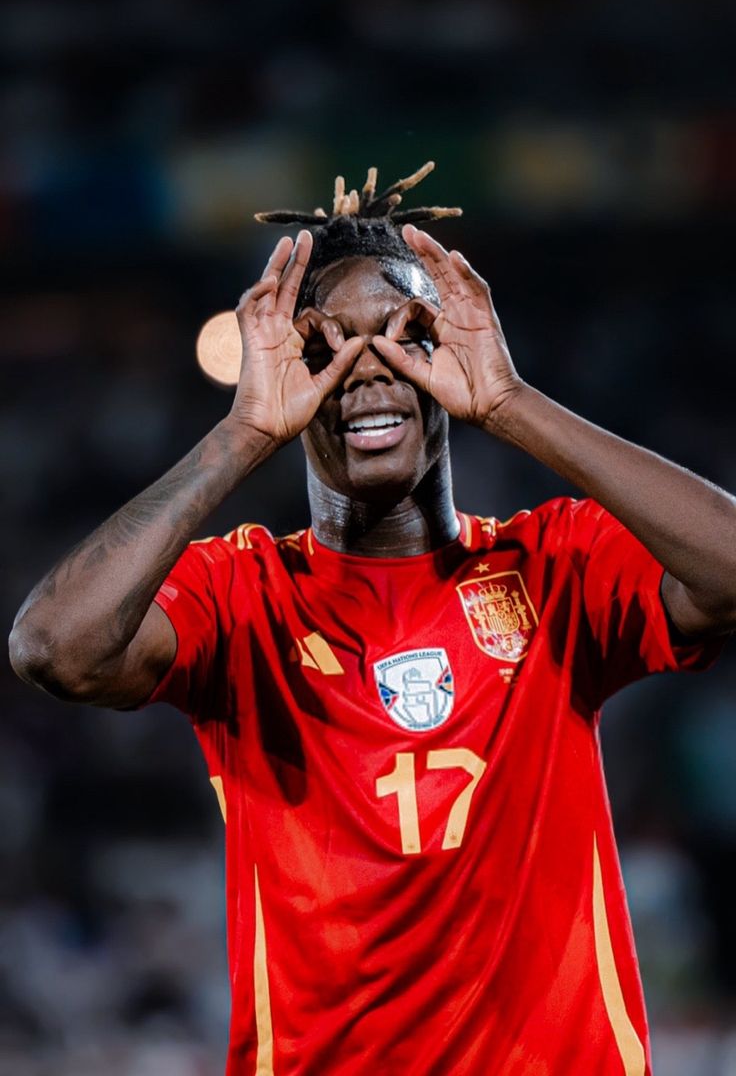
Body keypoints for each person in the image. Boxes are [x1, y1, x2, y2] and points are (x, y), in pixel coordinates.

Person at [9, 161, 736, 1076]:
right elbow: (52, 648)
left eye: (404, 338)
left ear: (450, 355)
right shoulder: (242, 595)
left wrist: (513, 404)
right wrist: (240, 435)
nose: (367, 372)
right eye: (328, 348)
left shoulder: (554, 566)